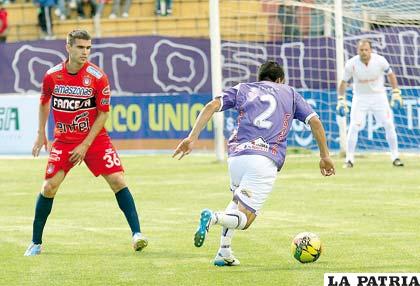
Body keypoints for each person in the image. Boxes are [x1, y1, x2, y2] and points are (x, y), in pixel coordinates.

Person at [173, 61, 335, 266]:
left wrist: (192, 137)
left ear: (260, 78)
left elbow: (211, 106)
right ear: (279, 80)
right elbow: (315, 122)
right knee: (245, 219)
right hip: (264, 159)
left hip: (236, 157)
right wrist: (325, 156)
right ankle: (213, 218)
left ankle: (224, 251)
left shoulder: (243, 88)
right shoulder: (290, 92)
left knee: (236, 200)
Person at [24, 29, 148, 256]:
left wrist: (84, 145)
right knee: (48, 187)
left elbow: (103, 113)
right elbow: (44, 102)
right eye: (80, 47)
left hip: (94, 139)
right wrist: (41, 133)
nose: (85, 52)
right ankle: (35, 243)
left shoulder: (98, 77)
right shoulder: (52, 75)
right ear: (68, 47)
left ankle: (137, 234)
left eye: (88, 48)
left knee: (118, 180)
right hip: (63, 140)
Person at [336, 39, 404, 168]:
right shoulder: (351, 63)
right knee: (354, 127)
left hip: (379, 97)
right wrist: (340, 99)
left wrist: (396, 92)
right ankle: (349, 159)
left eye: (366, 50)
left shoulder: (380, 61)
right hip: (360, 98)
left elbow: (391, 74)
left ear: (370, 50)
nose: (364, 52)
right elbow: (343, 82)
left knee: (389, 124)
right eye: (361, 50)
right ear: (358, 51)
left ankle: (395, 157)